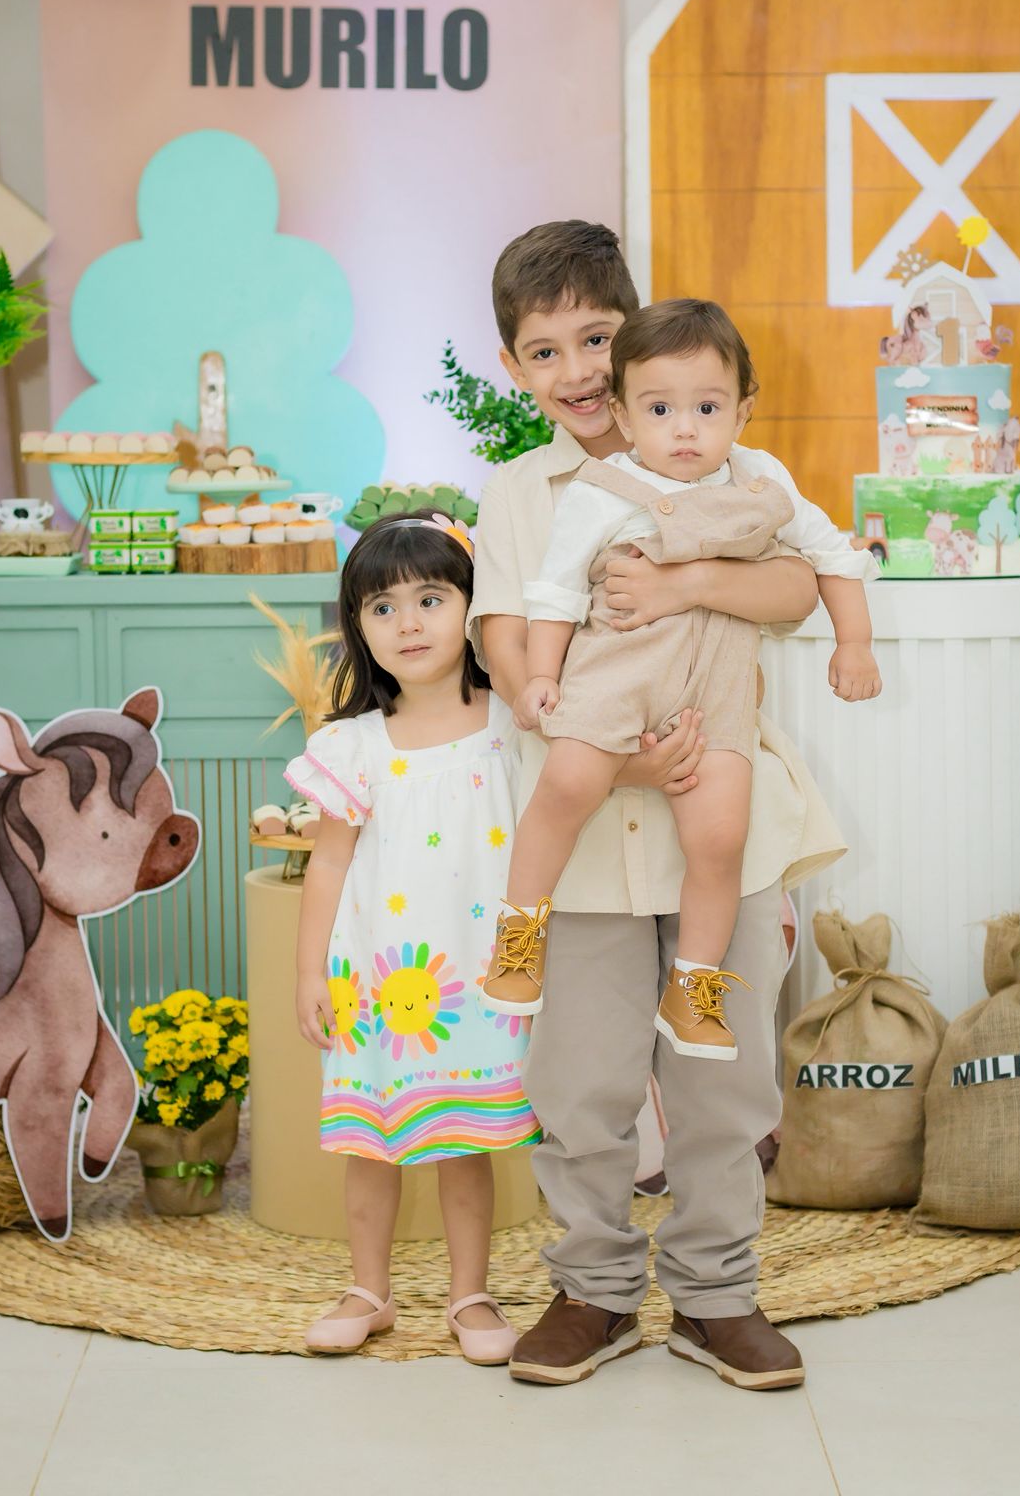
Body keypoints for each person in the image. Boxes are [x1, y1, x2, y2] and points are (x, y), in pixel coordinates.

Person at [468, 220, 848, 1391]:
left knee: (721, 1079)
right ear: (515, 369)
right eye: (546, 352)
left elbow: (798, 587)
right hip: (589, 834)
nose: (578, 371)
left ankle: (715, 1294)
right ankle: (591, 1288)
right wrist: (623, 760)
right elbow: (508, 652)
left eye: (597, 339)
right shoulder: (522, 492)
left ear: (634, 338)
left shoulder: (732, 463)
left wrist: (686, 578)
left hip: (718, 832)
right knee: (580, 1080)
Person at [482, 299, 880, 1062]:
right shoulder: (600, 490)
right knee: (566, 783)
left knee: (721, 835)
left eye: (707, 408)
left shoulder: (763, 480)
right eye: (662, 411)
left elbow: (828, 557)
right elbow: (556, 593)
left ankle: (694, 986)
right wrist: (540, 676)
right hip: (615, 674)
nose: (686, 429)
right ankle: (519, 932)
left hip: (717, 686)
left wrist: (854, 643)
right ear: (627, 416)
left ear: (743, 410)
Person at [285, 513, 539, 1365]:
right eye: (383, 608)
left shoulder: (511, 724)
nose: (410, 624)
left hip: (479, 979)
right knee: (371, 1142)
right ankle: (370, 1290)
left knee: (465, 1142)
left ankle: (471, 1294)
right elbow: (327, 865)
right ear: (357, 627)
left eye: (431, 599)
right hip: (377, 980)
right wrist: (309, 974)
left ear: (471, 607)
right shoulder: (351, 745)